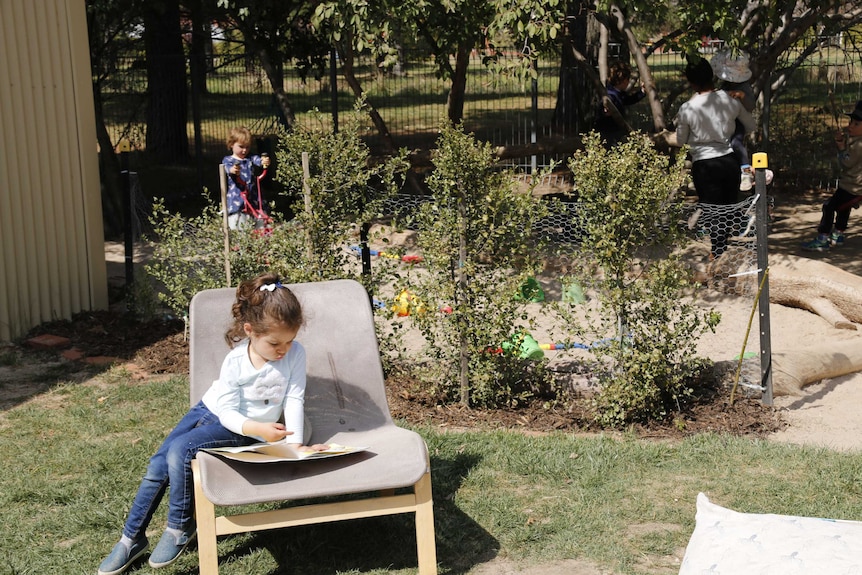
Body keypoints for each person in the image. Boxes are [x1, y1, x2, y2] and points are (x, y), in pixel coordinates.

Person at [98, 273, 326, 575]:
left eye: (289, 341)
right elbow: (227, 409)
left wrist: (292, 443)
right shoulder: (235, 361)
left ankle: (179, 527)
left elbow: (294, 399)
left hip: (242, 428)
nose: (283, 349)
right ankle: (131, 538)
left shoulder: (294, 354)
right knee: (157, 465)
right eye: (274, 343)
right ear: (250, 331)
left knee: (180, 450)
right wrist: (259, 429)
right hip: (214, 411)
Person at [674, 56, 756, 259]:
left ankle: (717, 253)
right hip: (729, 161)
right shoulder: (729, 100)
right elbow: (751, 125)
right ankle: (721, 251)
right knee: (727, 209)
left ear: (691, 82)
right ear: (713, 76)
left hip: (704, 164)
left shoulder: (687, 108)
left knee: (712, 210)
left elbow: (680, 140)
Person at [801, 100, 862, 251]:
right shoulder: (856, 141)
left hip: (852, 186)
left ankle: (823, 238)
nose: (850, 126)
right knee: (842, 207)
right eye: (851, 122)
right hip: (855, 185)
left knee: (829, 207)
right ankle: (838, 233)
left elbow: (847, 162)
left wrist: (841, 148)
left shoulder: (858, 145)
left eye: (856, 124)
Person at [710, 49, 757, 190]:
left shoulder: (744, 87)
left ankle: (745, 172)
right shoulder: (724, 84)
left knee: (736, 142)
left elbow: (751, 106)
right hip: (724, 121)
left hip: (738, 122)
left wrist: (742, 96)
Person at [223, 126, 271, 230]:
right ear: (231, 144)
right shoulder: (229, 160)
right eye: (241, 147)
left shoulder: (250, 157)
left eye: (247, 147)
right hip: (238, 197)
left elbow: (257, 159)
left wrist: (263, 162)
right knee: (238, 223)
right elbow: (227, 168)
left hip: (253, 196)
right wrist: (233, 170)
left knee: (260, 219)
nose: (244, 150)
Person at [593, 60, 647, 148]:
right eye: (628, 80)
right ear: (623, 80)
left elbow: (628, 100)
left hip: (616, 131)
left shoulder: (617, 93)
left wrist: (642, 92)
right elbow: (604, 110)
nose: (629, 82)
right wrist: (605, 112)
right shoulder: (611, 95)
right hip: (608, 133)